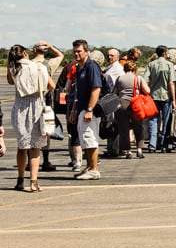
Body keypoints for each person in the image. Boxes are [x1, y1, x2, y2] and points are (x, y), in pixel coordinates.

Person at [6, 44, 54, 192]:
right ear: (25, 53)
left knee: (22, 147)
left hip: (20, 107)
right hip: (37, 106)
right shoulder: (39, 67)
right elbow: (51, 85)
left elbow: (9, 81)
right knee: (35, 147)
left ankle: (20, 180)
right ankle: (33, 181)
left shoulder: (14, 68)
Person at [71, 39, 104, 181]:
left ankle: (94, 169)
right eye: (75, 51)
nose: (76, 54)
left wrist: (90, 109)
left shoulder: (91, 66)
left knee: (90, 139)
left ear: (86, 52)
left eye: (79, 51)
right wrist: (74, 109)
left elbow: (96, 88)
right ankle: (90, 166)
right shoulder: (80, 67)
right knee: (85, 139)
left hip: (90, 109)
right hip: (81, 108)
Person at [30, 41, 64, 172]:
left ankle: (30, 161)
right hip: (45, 101)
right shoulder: (49, 64)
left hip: (31, 100)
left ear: (34, 50)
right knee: (46, 130)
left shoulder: (29, 64)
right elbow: (60, 55)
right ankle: (45, 160)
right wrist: (50, 46)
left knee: (31, 131)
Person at [113, 59, 151, 159]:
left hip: (122, 104)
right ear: (135, 69)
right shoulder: (138, 78)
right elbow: (147, 91)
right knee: (138, 127)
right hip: (136, 105)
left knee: (124, 129)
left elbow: (114, 93)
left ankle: (128, 151)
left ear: (125, 69)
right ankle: (139, 149)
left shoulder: (119, 78)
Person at [145, 45, 176, 153]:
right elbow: (171, 83)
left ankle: (152, 144)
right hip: (166, 96)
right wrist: (174, 99)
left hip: (153, 96)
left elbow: (146, 80)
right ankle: (164, 144)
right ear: (164, 53)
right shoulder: (169, 65)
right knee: (166, 121)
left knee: (153, 121)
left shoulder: (151, 64)